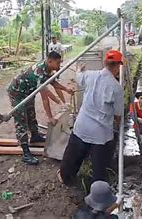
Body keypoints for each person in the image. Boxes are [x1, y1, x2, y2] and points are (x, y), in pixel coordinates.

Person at [58, 50, 124, 185]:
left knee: (72, 157)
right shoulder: (116, 88)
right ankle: (97, 191)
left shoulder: (90, 76)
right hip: (100, 134)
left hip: (82, 127)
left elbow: (79, 77)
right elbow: (118, 114)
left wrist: (78, 69)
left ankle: (65, 178)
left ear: (104, 63)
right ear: (117, 66)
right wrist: (117, 126)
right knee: (99, 166)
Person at [7, 51, 73, 165]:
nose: (59, 66)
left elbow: (53, 83)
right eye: (57, 63)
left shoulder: (47, 69)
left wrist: (66, 89)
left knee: (31, 113)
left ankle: (35, 135)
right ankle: (26, 153)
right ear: (49, 61)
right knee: (21, 120)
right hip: (17, 93)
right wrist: (50, 117)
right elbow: (45, 98)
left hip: (27, 92)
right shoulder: (39, 73)